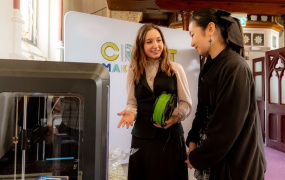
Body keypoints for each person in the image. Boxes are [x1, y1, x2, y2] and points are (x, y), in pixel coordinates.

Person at [185, 8, 267, 180]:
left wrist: (198, 157)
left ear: (210, 29)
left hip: (236, 162)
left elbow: (226, 128)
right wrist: (193, 140)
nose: (192, 42)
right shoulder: (209, 66)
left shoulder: (235, 67)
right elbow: (203, 110)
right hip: (215, 157)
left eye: (192, 34)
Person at [117, 23, 192, 180]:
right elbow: (132, 102)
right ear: (140, 45)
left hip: (170, 137)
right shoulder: (133, 71)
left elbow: (186, 103)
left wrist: (176, 117)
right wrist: (130, 113)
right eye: (149, 42)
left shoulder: (175, 68)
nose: (156, 46)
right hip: (142, 137)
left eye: (159, 40)